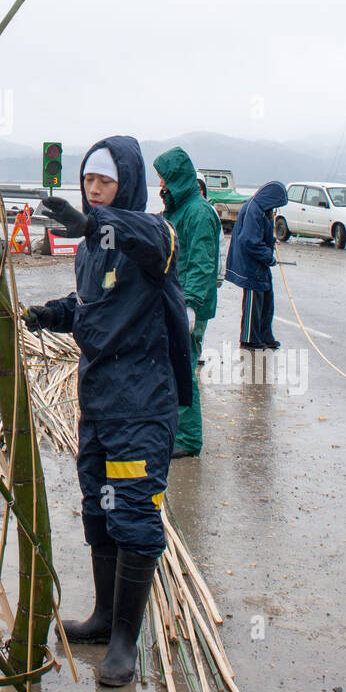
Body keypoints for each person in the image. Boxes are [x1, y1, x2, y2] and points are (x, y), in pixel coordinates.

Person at [23, 136, 192, 687]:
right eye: (88, 182)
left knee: (135, 516)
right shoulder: (95, 247)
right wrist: (52, 314)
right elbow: (91, 306)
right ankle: (101, 617)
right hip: (97, 402)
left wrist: (94, 222)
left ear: (129, 185)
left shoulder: (153, 234)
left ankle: (125, 639)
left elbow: (151, 243)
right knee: (98, 507)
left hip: (141, 406)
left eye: (106, 183)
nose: (94, 192)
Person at [153, 147, 221, 459]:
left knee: (183, 367)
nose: (161, 185)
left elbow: (202, 264)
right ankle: (174, 429)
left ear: (176, 179)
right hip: (175, 300)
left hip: (188, 304)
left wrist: (191, 305)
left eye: (164, 179)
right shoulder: (179, 208)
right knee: (170, 366)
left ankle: (189, 439)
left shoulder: (199, 213)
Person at [225, 181, 287, 349]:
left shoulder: (264, 210)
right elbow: (250, 241)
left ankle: (265, 335)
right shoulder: (254, 210)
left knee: (267, 298)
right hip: (250, 265)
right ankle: (249, 338)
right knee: (253, 300)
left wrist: (271, 243)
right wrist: (268, 256)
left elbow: (262, 234)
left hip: (259, 264)